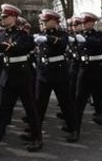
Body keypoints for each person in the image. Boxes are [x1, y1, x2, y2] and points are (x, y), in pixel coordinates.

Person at [0, 4, 41, 154]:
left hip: (21, 76)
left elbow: (15, 47)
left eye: (5, 16)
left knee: (30, 109)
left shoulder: (22, 35)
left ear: (14, 18)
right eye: (2, 17)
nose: (3, 19)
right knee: (3, 111)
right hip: (7, 76)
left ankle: (37, 138)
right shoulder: (2, 34)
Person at [32, 9, 79, 143]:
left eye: (45, 21)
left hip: (59, 73)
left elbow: (62, 43)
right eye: (42, 21)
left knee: (66, 103)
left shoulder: (62, 34)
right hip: (43, 73)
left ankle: (73, 130)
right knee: (39, 104)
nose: (42, 23)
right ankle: (35, 133)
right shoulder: (40, 34)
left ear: (54, 21)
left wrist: (47, 38)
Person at [74, 12, 102, 136]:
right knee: (79, 99)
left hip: (98, 68)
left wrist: (86, 40)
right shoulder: (78, 36)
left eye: (86, 22)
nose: (83, 25)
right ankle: (75, 127)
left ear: (92, 23)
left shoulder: (100, 34)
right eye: (82, 23)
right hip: (84, 69)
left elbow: (98, 44)